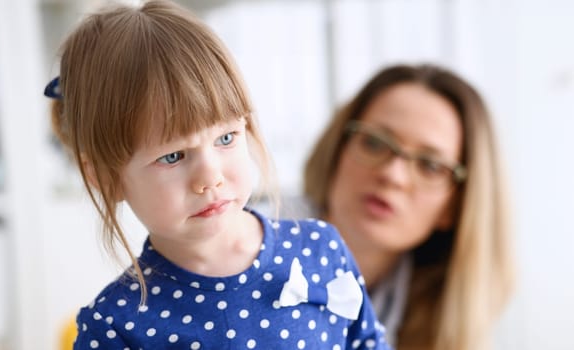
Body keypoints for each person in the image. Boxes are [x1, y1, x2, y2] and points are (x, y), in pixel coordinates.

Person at [44, 1, 391, 349]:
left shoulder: (320, 248)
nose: (210, 177)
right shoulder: (116, 325)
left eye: (225, 138)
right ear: (105, 177)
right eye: (173, 156)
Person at [303, 64, 515, 350]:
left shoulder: (436, 323)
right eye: (375, 143)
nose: (393, 175)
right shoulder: (243, 245)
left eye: (430, 165)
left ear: (456, 206)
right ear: (338, 150)